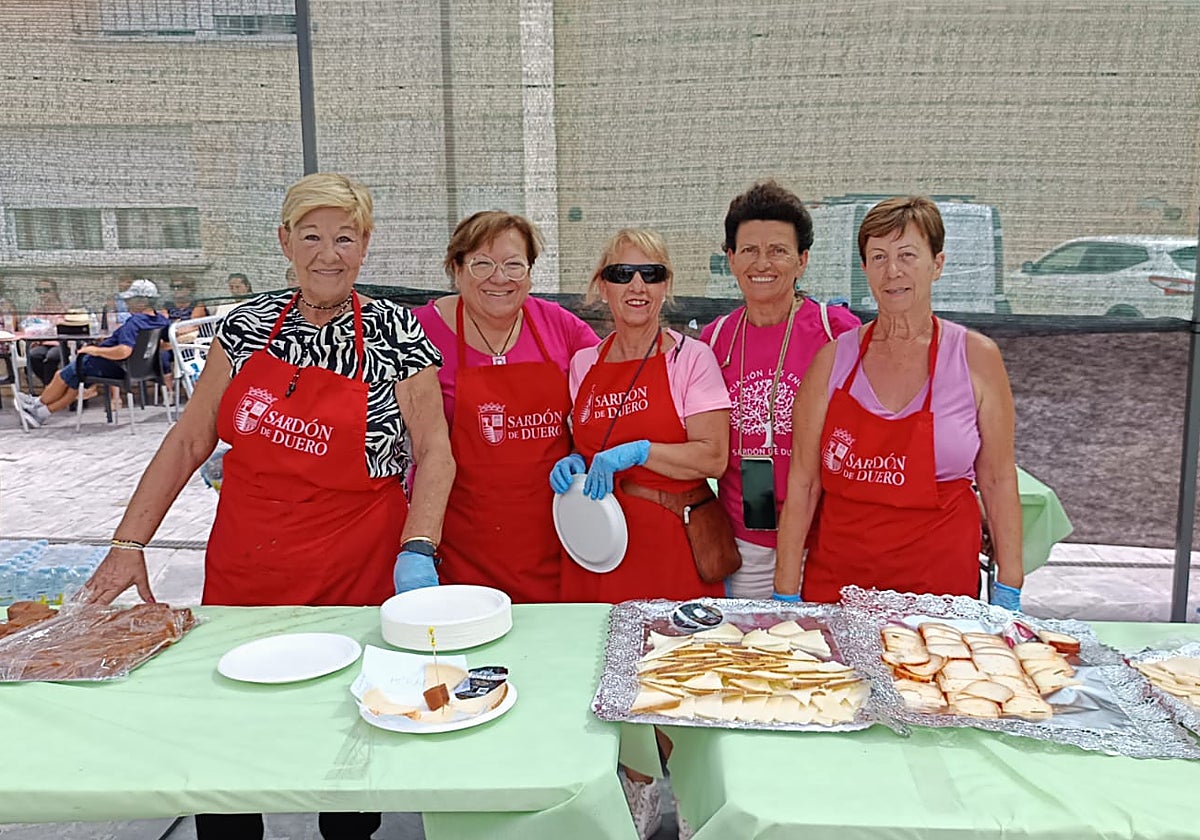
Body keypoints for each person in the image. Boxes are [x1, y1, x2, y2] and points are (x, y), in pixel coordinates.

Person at [77, 173, 455, 840]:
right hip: (246, 569)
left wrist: (418, 548)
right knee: (228, 748)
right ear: (285, 241)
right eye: (311, 236)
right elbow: (191, 437)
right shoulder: (247, 326)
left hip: (355, 567)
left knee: (346, 745)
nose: (327, 254)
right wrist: (127, 544)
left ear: (365, 245)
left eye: (344, 237)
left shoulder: (398, 332)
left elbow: (435, 450)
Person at [551, 228, 729, 840]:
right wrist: (572, 464)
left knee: (673, 679)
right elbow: (582, 448)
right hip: (598, 550)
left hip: (668, 543)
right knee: (609, 680)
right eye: (623, 273)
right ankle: (633, 796)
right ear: (601, 284)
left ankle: (694, 806)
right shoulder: (582, 363)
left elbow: (712, 456)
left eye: (651, 274)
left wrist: (644, 449)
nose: (637, 286)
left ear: (667, 286)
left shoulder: (690, 359)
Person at [774, 196, 1023, 609]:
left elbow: (998, 481)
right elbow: (803, 483)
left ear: (937, 264)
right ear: (866, 269)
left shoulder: (976, 357)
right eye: (878, 257)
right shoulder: (833, 360)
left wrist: (1009, 589)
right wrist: (785, 590)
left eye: (907, 255)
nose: (893, 271)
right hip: (839, 584)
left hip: (940, 584)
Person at [413, 211, 598, 602]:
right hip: (459, 552)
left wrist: (586, 454)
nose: (500, 278)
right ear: (457, 269)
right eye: (482, 264)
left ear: (530, 272)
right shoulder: (420, 331)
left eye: (514, 264)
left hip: (555, 545)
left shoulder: (561, 328)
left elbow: (608, 401)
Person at [700, 181, 860, 598]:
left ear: (802, 260)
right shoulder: (715, 341)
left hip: (824, 536)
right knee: (751, 652)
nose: (763, 263)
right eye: (750, 250)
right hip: (746, 537)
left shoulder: (837, 332)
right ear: (731, 259)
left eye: (778, 250)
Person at [14, 279, 168, 427]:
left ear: (142, 302)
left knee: (61, 375)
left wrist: (95, 350)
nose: (126, 303)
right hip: (136, 369)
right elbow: (167, 343)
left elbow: (124, 351)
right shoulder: (159, 321)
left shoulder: (134, 323)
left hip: (109, 365)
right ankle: (42, 413)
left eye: (130, 299)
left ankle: (37, 404)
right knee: (73, 383)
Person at [23, 278, 69, 388]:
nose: (42, 294)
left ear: (54, 291)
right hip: (41, 342)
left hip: (60, 343)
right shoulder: (36, 308)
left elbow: (65, 326)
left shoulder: (64, 307)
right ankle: (50, 387)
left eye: (46, 290)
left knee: (51, 357)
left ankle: (50, 389)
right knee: (34, 356)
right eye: (39, 290)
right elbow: (29, 325)